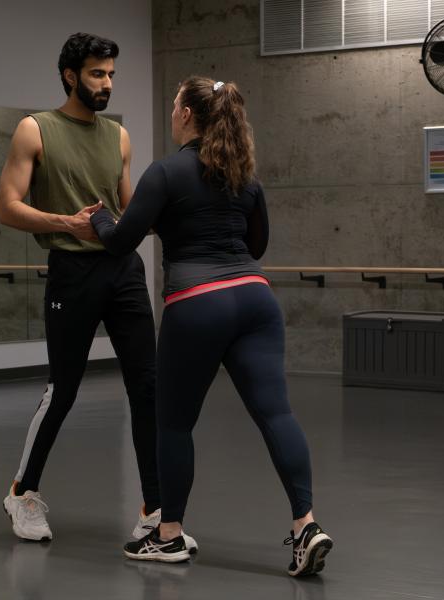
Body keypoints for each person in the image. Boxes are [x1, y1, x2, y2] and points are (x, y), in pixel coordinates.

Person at [87, 76, 333, 576]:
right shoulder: (245, 177)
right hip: (255, 301)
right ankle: (306, 524)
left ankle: (169, 534)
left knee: (173, 422)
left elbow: (120, 241)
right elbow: (256, 245)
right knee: (276, 415)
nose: (173, 109)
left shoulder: (165, 173)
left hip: (198, 304)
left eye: (176, 103)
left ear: (185, 115)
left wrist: (97, 220)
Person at [0, 32, 196, 553]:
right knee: (63, 389)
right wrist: (66, 221)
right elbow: (8, 206)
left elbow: (130, 207)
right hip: (71, 271)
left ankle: (154, 510)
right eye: (96, 74)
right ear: (70, 75)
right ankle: (23, 492)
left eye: (110, 74)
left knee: (147, 388)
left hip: (123, 271)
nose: (106, 83)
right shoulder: (34, 130)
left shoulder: (119, 137)